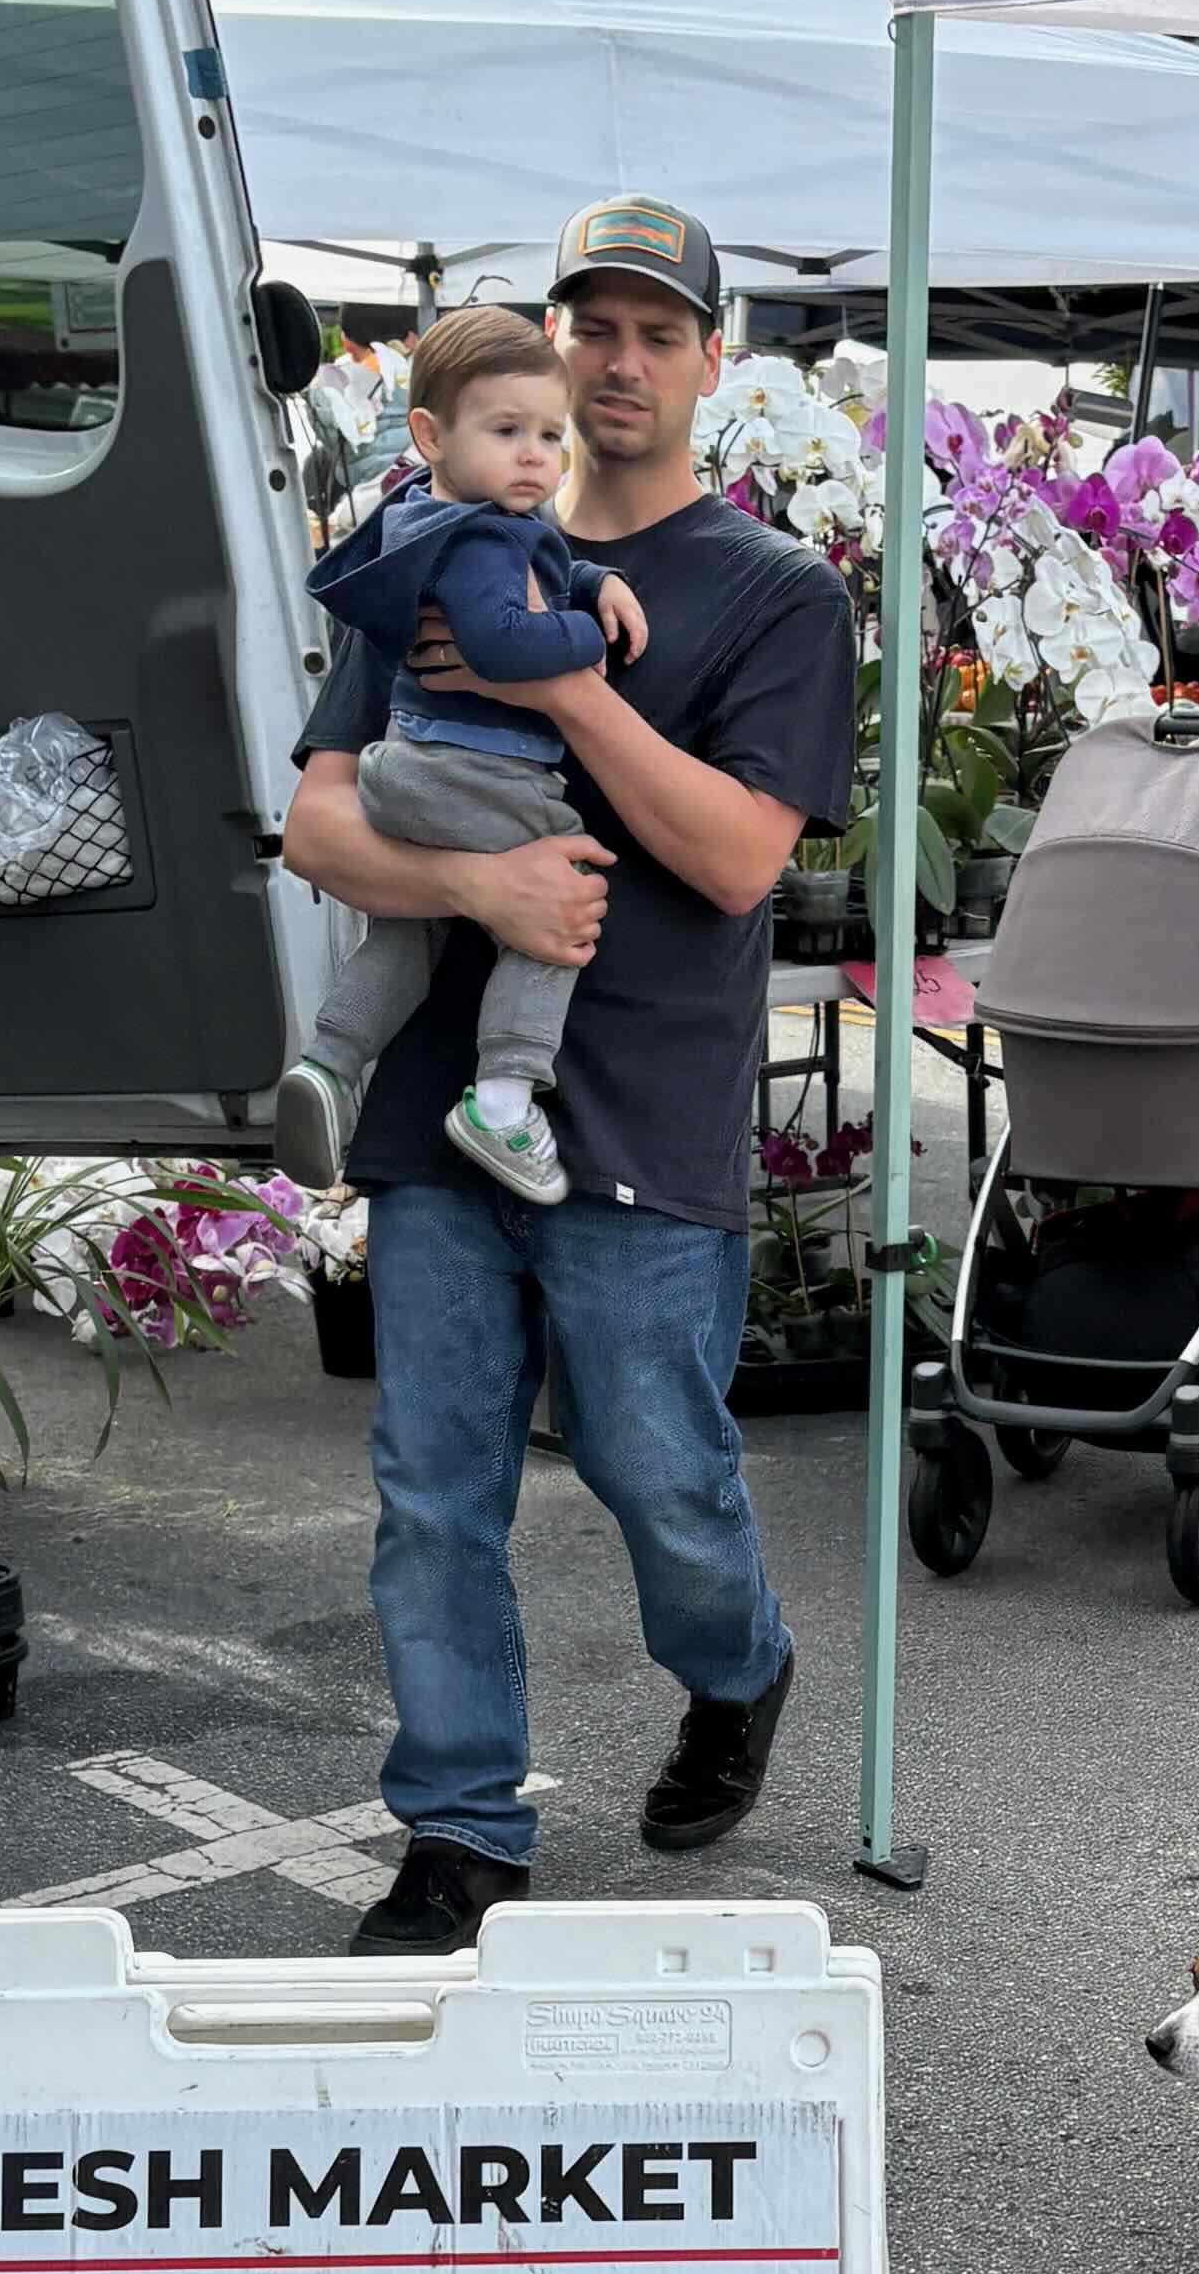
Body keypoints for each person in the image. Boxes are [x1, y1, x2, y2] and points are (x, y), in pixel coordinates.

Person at [281, 201, 857, 1955]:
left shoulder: (773, 594)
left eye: (655, 333)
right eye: (590, 327)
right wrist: (478, 890)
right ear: (546, 343)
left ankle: (736, 1663)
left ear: (709, 362)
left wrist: (563, 684)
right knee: (432, 1492)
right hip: (440, 1108)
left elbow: (739, 859)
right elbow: (317, 823)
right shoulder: (427, 536)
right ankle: (460, 1828)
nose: (617, 363)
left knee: (655, 1469)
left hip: (644, 1112)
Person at [274, 306, 646, 1212]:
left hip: (410, 772)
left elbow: (535, 566)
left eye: (550, 435)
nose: (535, 457)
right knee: (561, 898)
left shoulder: (437, 521)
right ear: (431, 436)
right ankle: (506, 1101)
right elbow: (501, 639)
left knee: (409, 931)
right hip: (480, 770)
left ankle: (329, 1063)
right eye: (507, 431)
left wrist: (593, 579)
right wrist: (583, 639)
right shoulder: (478, 536)